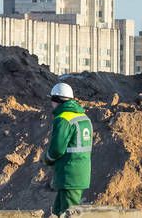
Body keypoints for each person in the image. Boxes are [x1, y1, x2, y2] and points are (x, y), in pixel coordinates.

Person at [44, 82, 92, 216]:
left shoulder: (63, 119)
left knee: (68, 213)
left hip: (69, 174)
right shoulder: (84, 117)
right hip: (79, 173)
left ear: (56, 100)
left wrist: (47, 159)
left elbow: (57, 149)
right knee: (57, 211)